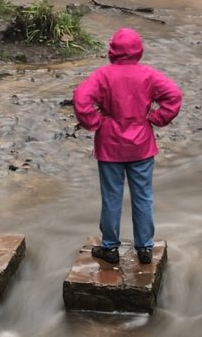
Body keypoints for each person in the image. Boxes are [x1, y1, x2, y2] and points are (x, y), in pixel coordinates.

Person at [73, 27, 182, 265]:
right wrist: (155, 118)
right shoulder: (149, 75)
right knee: (143, 196)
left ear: (112, 49)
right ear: (139, 50)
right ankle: (144, 248)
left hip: (110, 144)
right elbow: (173, 96)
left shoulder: (102, 75)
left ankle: (110, 247)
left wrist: (95, 122)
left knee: (111, 197)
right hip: (141, 144)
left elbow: (81, 99)